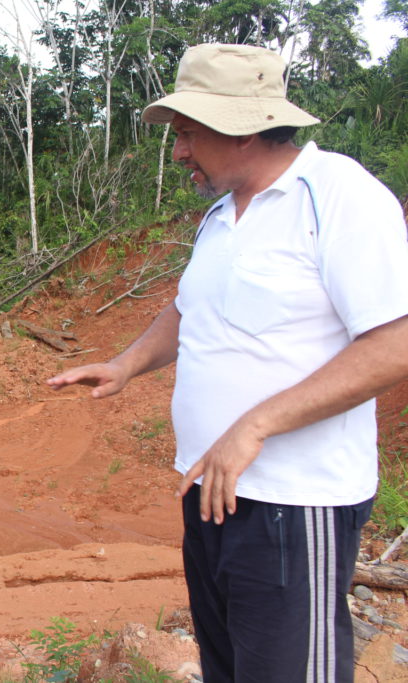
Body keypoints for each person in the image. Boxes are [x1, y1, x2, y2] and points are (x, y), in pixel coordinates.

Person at [46, 43, 408, 682]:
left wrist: (255, 425)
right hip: (210, 494)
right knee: (230, 669)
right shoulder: (220, 214)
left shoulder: (339, 196)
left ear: (242, 128)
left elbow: (393, 344)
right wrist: (127, 364)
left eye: (187, 134)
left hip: (296, 506)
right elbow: (189, 311)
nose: (179, 151)